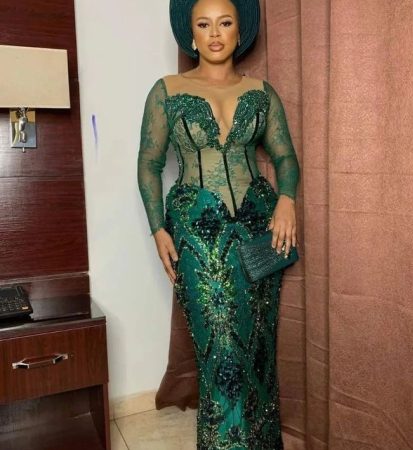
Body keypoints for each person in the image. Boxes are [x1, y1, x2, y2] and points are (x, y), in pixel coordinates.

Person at [137, 0, 300, 448]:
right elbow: (149, 164)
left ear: (238, 32)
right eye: (204, 24)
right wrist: (158, 229)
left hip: (259, 230)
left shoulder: (262, 92)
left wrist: (287, 200)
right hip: (197, 234)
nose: (214, 33)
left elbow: (285, 157)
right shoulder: (166, 91)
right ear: (191, 35)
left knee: (259, 346)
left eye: (224, 23)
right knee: (220, 349)